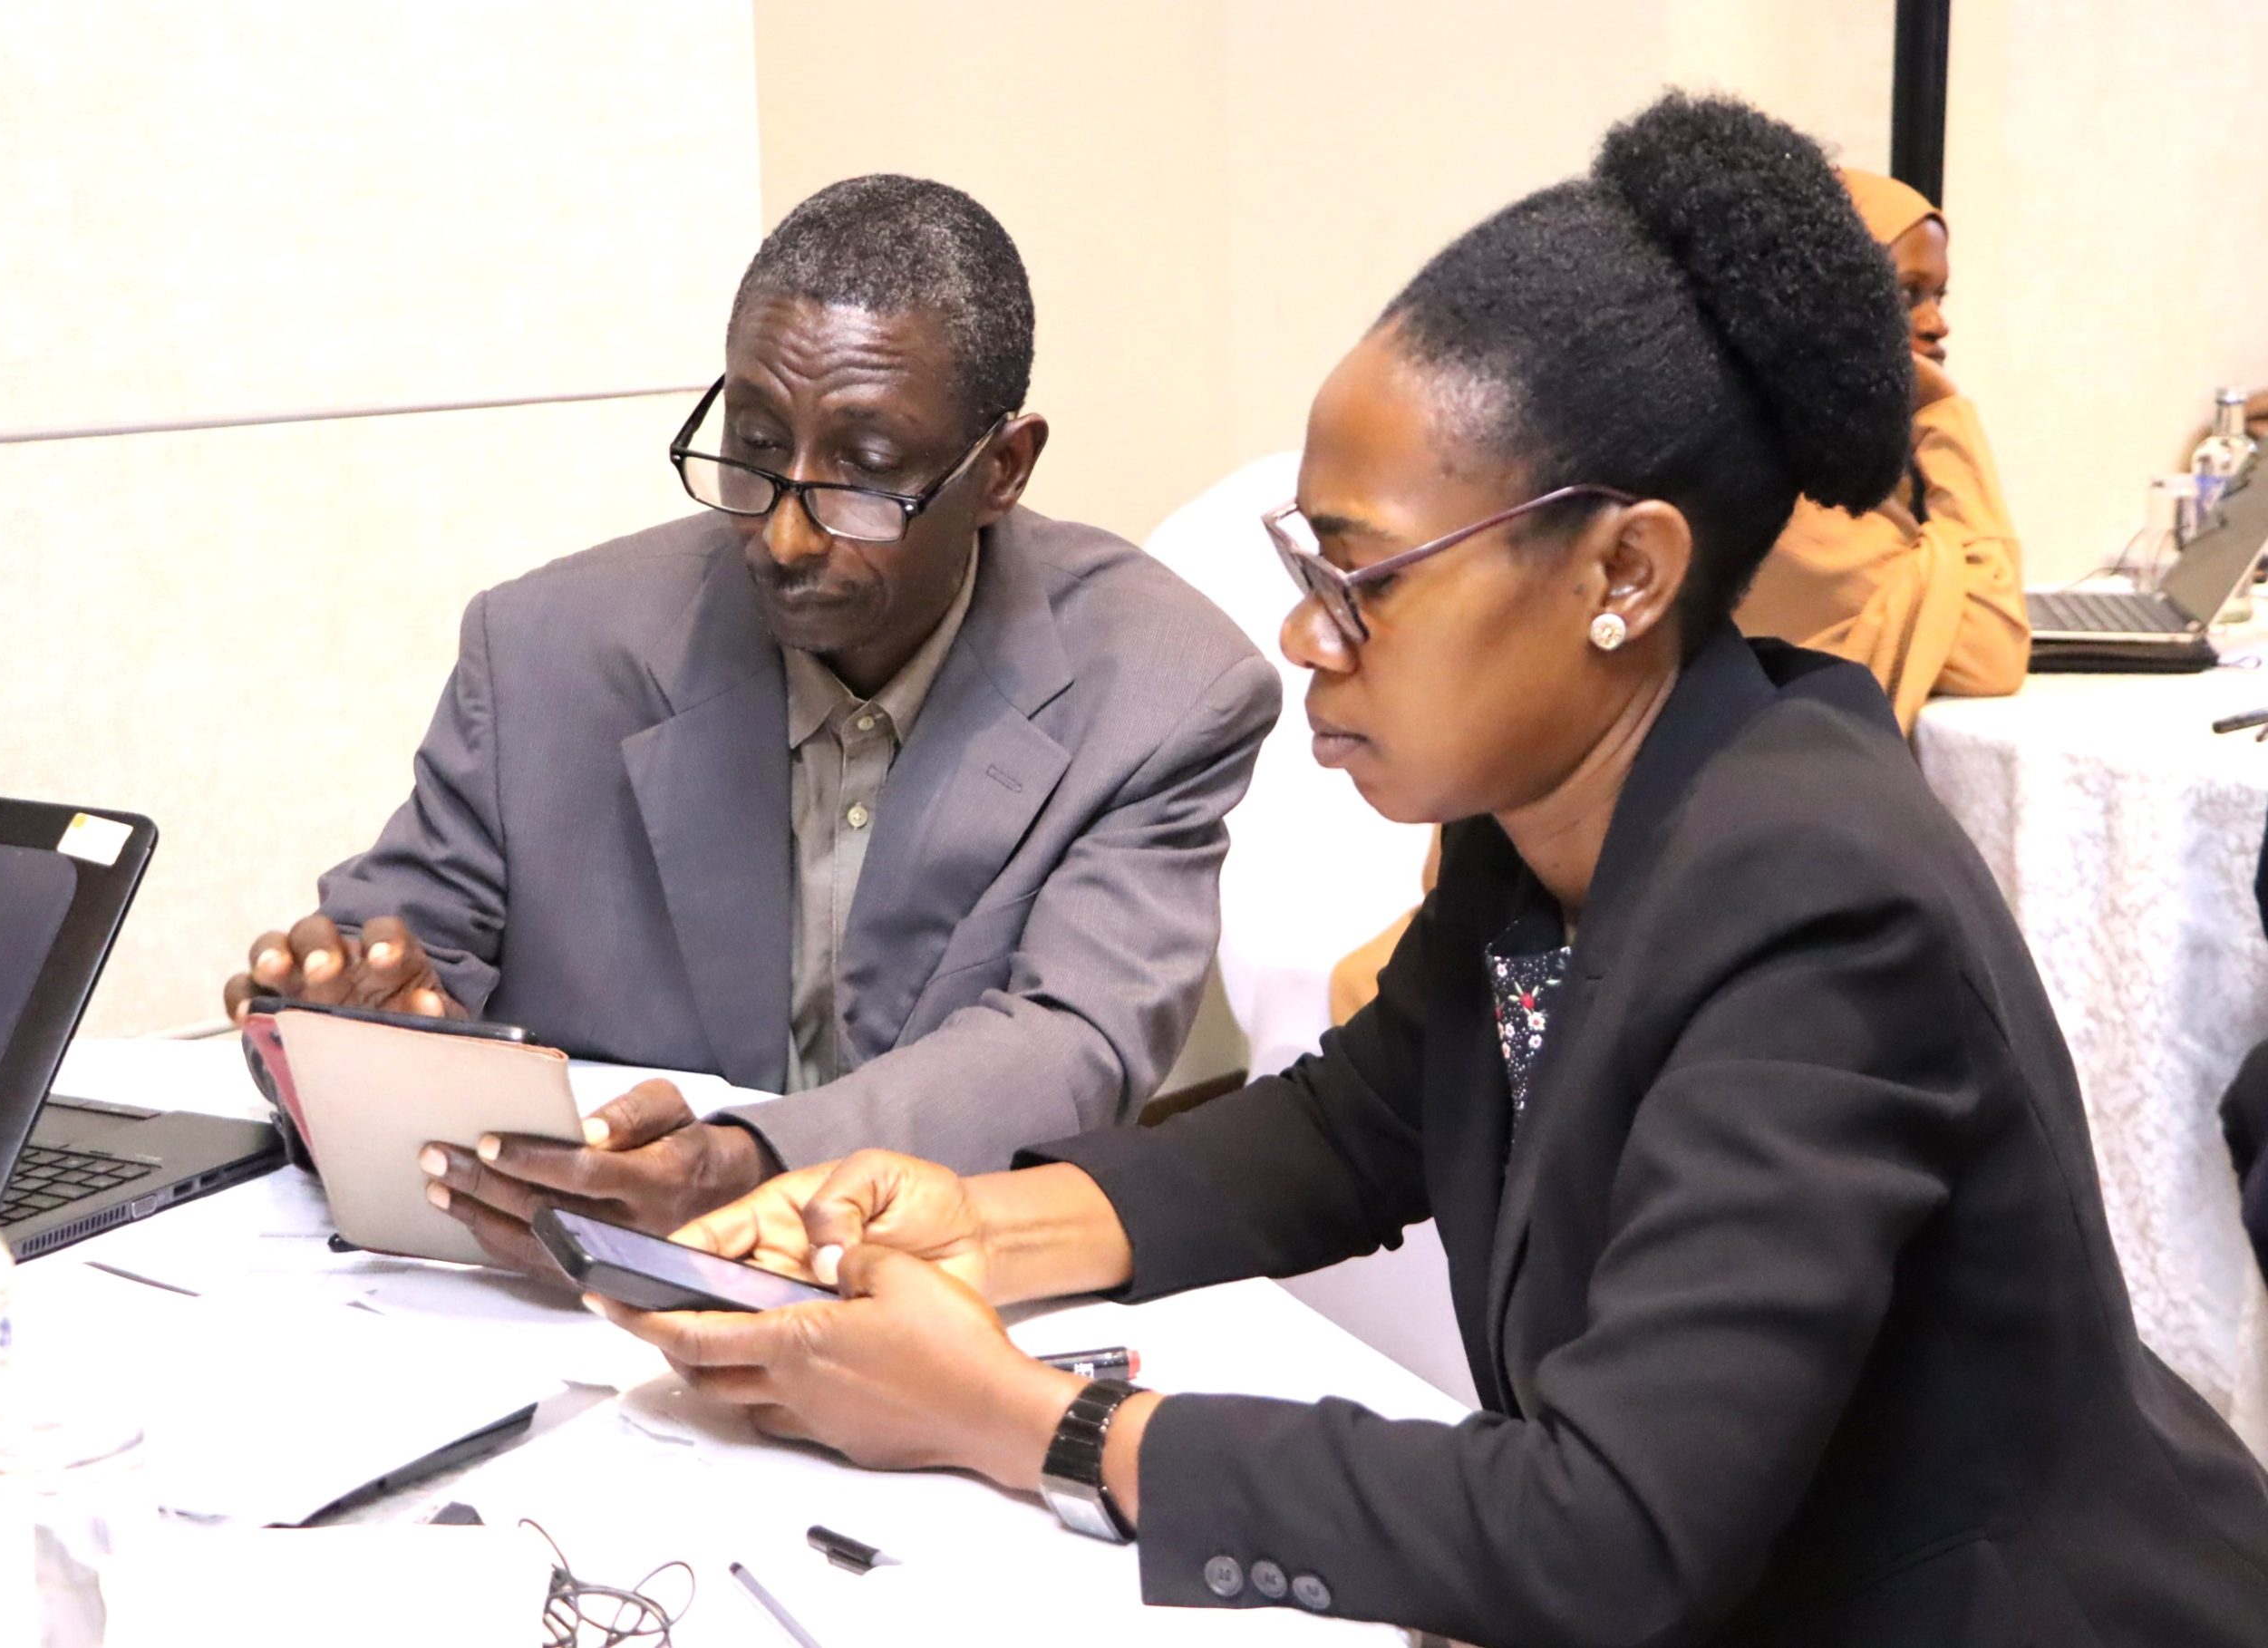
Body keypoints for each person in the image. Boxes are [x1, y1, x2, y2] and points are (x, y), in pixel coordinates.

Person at [586, 97, 2268, 1644]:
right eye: (1304, 563)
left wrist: (1026, 1417)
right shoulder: (1548, 820)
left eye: (1367, 576)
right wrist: (980, 1228)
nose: (1310, 637)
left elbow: (1613, 1527)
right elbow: (1353, 1125)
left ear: (1623, 567)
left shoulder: (1815, 903)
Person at [225, 176, 1279, 1271]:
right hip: (566, 1307)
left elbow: (1075, 1042)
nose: (783, 536)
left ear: (1000, 469)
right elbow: (400, 948)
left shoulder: (1164, 689)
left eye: (866, 475)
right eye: (756, 446)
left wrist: (745, 1164)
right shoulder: (545, 648)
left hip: (931, 1296)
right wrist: (343, 1024)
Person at [1734, 167, 2029, 732]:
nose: (1937, 324)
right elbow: (1994, 645)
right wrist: (1944, 413)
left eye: (1938, 295)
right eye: (1906, 293)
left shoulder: (1831, 448)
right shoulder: (1784, 489)